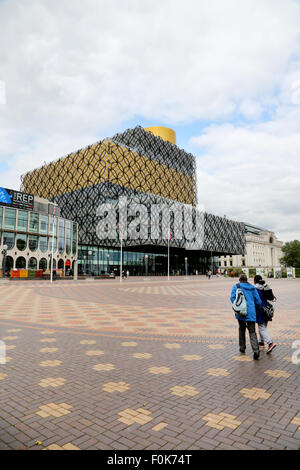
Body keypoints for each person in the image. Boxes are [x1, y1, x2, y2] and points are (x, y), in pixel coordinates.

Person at [230, 273, 262, 360]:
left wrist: (237, 306)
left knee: (241, 329)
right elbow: (258, 301)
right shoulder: (252, 288)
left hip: (241, 312)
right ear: (247, 280)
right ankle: (256, 350)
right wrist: (257, 309)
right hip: (251, 312)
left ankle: (242, 347)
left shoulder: (236, 286)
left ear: (240, 280)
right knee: (252, 331)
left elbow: (232, 298)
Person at [254, 275, 277, 354]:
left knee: (261, 327)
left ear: (254, 281)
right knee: (263, 327)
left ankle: (270, 343)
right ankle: (261, 342)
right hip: (267, 309)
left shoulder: (255, 289)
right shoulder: (265, 287)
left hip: (260, 310)